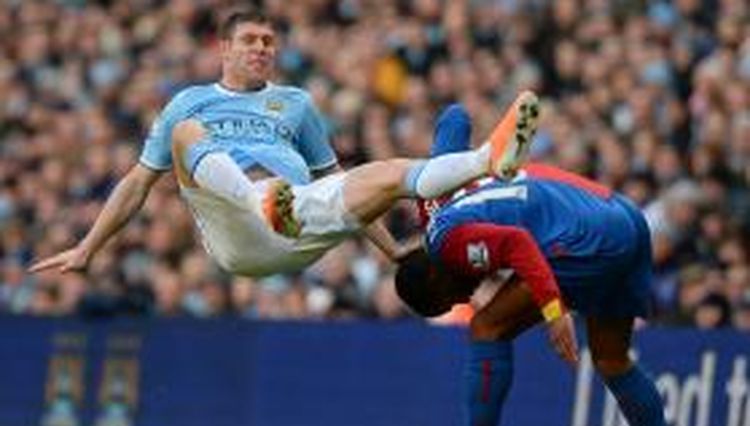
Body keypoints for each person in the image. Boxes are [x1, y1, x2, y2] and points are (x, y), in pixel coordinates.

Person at [29, 8, 540, 278]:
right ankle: (261, 199)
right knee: (189, 136)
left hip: (295, 223)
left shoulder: (295, 103)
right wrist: (88, 247)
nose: (261, 49)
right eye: (250, 40)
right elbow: (138, 183)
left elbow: (335, 182)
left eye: (268, 42)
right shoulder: (188, 102)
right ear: (223, 48)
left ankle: (487, 159)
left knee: (383, 172)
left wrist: (392, 255)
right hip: (236, 229)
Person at [395, 104, 692, 426]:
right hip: (623, 216)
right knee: (611, 359)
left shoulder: (450, 243)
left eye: (451, 298)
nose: (465, 296)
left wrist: (555, 311)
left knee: (487, 327)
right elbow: (455, 117)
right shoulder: (431, 194)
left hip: (584, 239)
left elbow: (518, 246)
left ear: (436, 276)